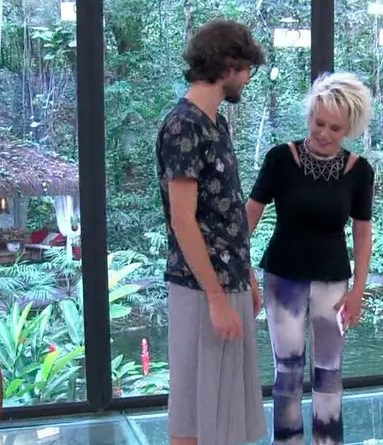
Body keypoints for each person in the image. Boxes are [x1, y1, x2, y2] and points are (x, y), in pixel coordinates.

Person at [246, 72, 375, 445]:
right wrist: (244, 270)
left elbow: (363, 234)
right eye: (319, 123)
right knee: (287, 373)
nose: (324, 133)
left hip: (333, 283)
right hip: (282, 280)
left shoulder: (359, 171)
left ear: (349, 129)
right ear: (309, 116)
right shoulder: (280, 159)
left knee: (330, 373)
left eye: (335, 128)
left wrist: (358, 291)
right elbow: (247, 219)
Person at [155, 19, 266, 445]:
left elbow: (227, 211)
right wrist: (218, 299)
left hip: (228, 281)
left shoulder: (216, 123)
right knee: (193, 410)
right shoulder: (183, 125)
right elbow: (183, 220)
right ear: (228, 64)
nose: (248, 77)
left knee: (225, 412)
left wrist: (246, 275)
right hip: (199, 288)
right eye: (247, 67)